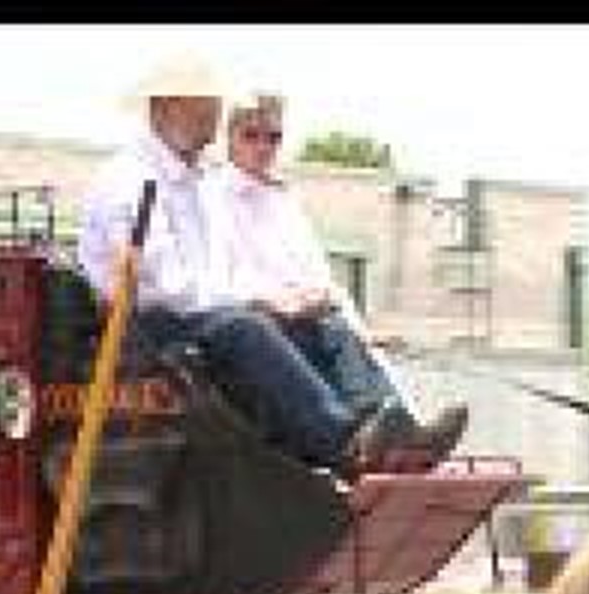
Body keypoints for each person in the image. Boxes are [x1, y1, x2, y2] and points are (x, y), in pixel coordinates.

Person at [76, 54, 436, 480]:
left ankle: (390, 434)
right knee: (246, 326)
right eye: (204, 105)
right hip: (142, 328)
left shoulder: (191, 183)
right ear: (165, 108)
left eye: (214, 105)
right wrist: (259, 300)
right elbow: (167, 288)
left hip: (190, 315)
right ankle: (344, 443)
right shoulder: (131, 180)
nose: (215, 115)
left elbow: (210, 277)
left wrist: (279, 303)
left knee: (322, 327)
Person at [209, 90, 468, 471]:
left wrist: (362, 328)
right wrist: (276, 302)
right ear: (229, 138)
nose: (264, 146)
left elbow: (323, 279)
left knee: (340, 326)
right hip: (253, 325)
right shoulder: (210, 197)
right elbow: (211, 282)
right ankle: (370, 437)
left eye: (273, 137)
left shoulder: (284, 202)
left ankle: (399, 433)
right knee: (315, 327)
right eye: (252, 135)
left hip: (307, 320)